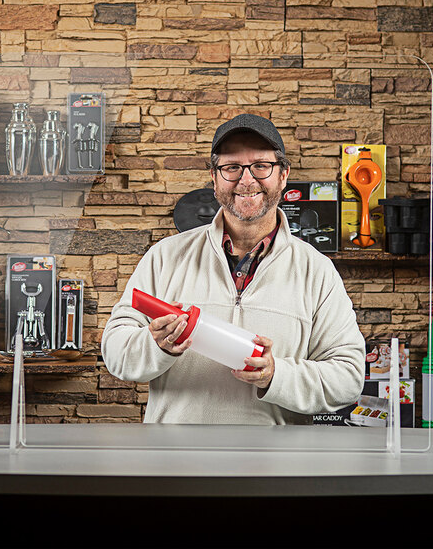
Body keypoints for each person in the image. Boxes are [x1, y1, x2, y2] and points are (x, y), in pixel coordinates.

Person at [102, 113, 365, 424]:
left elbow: (348, 378)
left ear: (283, 175)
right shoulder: (165, 257)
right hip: (176, 463)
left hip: (274, 467)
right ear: (214, 179)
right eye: (231, 167)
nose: (246, 179)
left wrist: (275, 375)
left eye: (261, 165)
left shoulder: (316, 272)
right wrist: (156, 345)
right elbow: (116, 353)